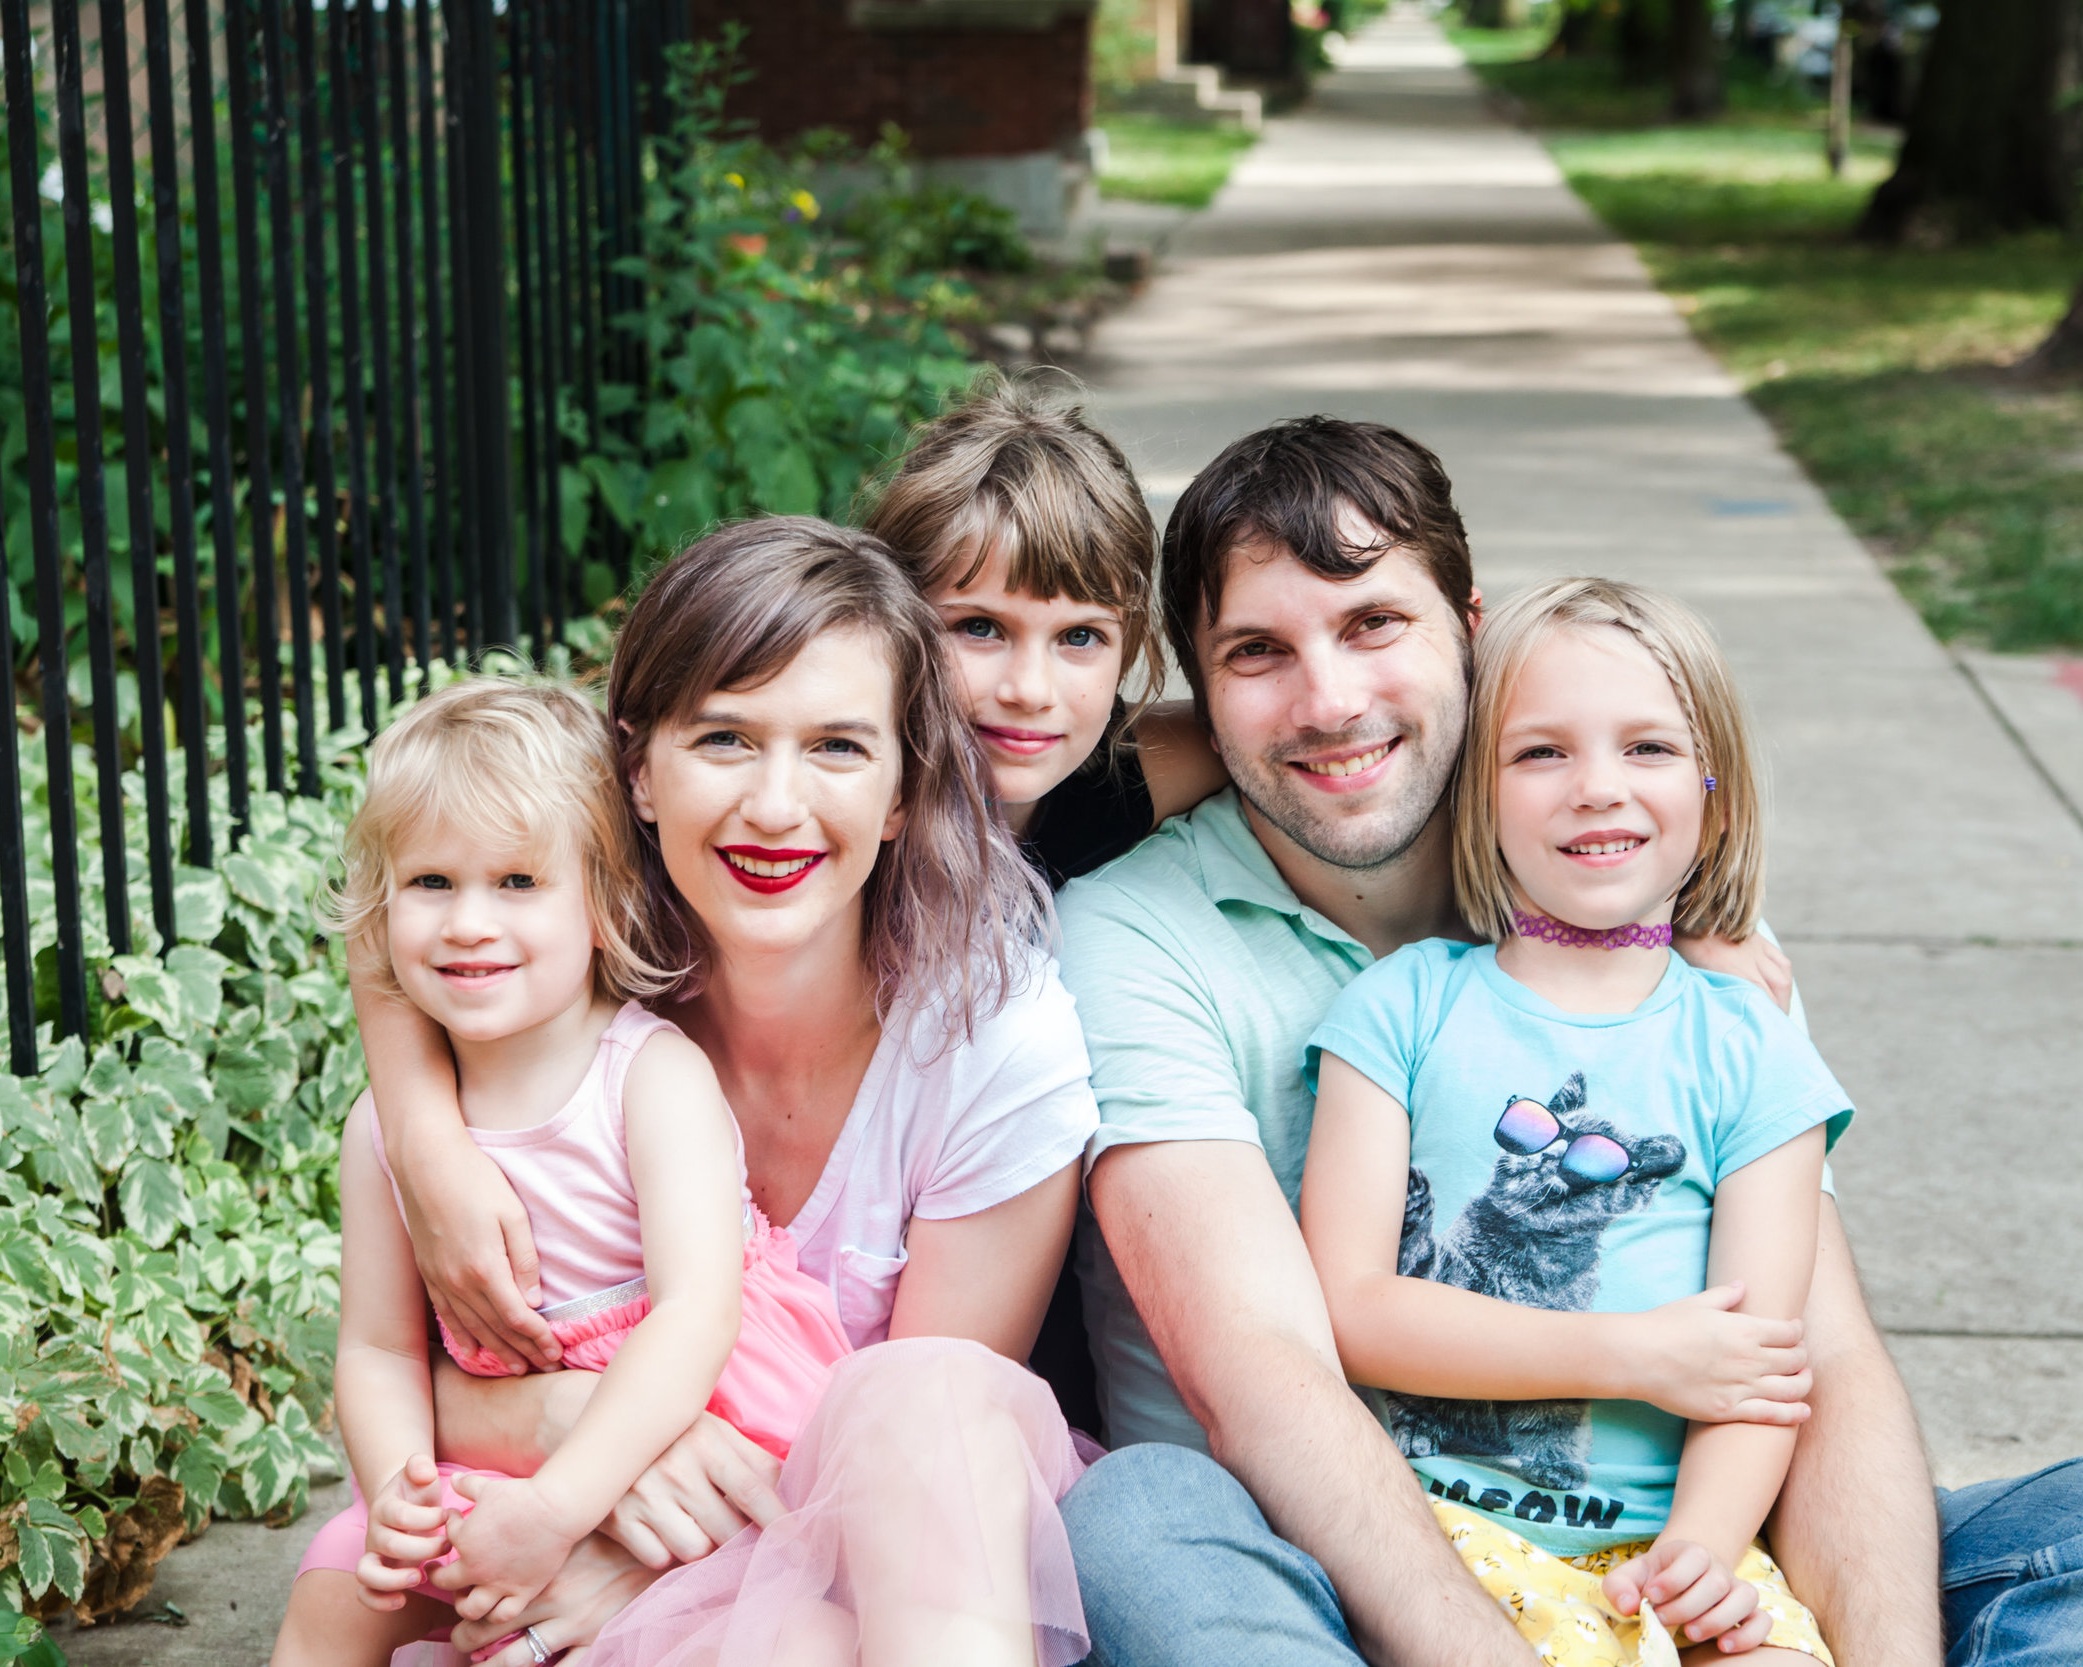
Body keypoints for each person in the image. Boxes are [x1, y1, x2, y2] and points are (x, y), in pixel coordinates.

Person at [1052, 415, 2083, 1667]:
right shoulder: (1131, 932)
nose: (1328, 700)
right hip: (1313, 1579)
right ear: (1199, 695)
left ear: (1470, 635)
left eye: (1376, 622)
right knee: (1129, 1518)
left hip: (1661, 1570)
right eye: (1256, 652)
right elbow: (1262, 1369)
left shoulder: (1636, 897)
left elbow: (1813, 1350)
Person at [339, 519, 1098, 1666]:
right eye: (726, 739)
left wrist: (624, 1534)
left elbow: (913, 1471)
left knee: (921, 1398)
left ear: (903, 790)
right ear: (637, 770)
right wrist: (421, 1129)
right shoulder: (545, 988)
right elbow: (390, 886)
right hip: (559, 1496)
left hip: (876, 1563)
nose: (776, 806)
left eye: (839, 748)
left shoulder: (988, 1037)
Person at [1300, 578, 1849, 1665]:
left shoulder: (1751, 1045)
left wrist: (1701, 1548)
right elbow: (1347, 1308)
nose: (1597, 788)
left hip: (1673, 1539)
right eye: (1540, 752)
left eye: (1646, 748)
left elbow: (1762, 1365)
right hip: (1435, 1531)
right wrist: (1638, 1355)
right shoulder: (1401, 1004)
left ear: (1716, 796)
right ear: (1477, 797)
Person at [274, 680, 852, 1667]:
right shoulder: (387, 1127)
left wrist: (557, 1504)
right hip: (506, 1453)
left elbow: (695, 1316)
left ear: (601, 900)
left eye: (514, 881)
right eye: (429, 883)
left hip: (703, 1427)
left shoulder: (648, 1075)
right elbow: (378, 1347)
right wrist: (401, 1488)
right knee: (335, 1587)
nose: (466, 923)